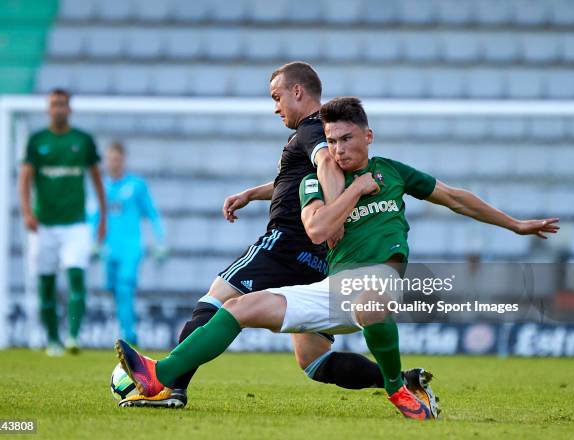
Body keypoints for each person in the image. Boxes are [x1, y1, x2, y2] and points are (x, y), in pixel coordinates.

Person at [115, 97, 559, 419]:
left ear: (368, 135)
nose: (340, 148)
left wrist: (516, 224)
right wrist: (351, 191)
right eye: (331, 140)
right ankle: (161, 376)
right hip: (332, 290)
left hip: (380, 280)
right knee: (239, 307)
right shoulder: (317, 184)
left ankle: (396, 390)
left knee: (370, 300)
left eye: (347, 138)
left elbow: (455, 198)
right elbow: (319, 230)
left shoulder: (392, 172)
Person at [161, 62, 414, 409]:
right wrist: (253, 193)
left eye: (277, 97)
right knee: (313, 360)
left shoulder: (312, 129)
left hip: (286, 243)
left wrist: (335, 214)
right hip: (318, 259)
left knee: (215, 300)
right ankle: (401, 381)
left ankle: (169, 386)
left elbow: (325, 164)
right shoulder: (330, 134)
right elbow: (299, 181)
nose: (275, 107)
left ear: (298, 92)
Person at [18, 88, 106, 356]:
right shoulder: (37, 141)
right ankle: (53, 340)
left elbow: (96, 179)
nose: (58, 109)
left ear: (69, 109)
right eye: (54, 104)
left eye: (62, 104)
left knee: (76, 276)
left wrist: (103, 215)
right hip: (44, 224)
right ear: (48, 109)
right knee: (46, 283)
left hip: (76, 224)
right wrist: (26, 213)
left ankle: (73, 336)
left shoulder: (82, 141)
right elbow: (24, 179)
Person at [93, 142, 166, 346]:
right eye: (110, 159)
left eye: (117, 159)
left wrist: (160, 241)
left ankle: (129, 333)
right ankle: (125, 325)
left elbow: (152, 213)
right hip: (109, 248)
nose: (113, 163)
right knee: (112, 287)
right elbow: (95, 215)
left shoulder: (136, 185)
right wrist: (94, 242)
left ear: (123, 160)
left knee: (125, 287)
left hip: (131, 248)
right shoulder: (102, 186)